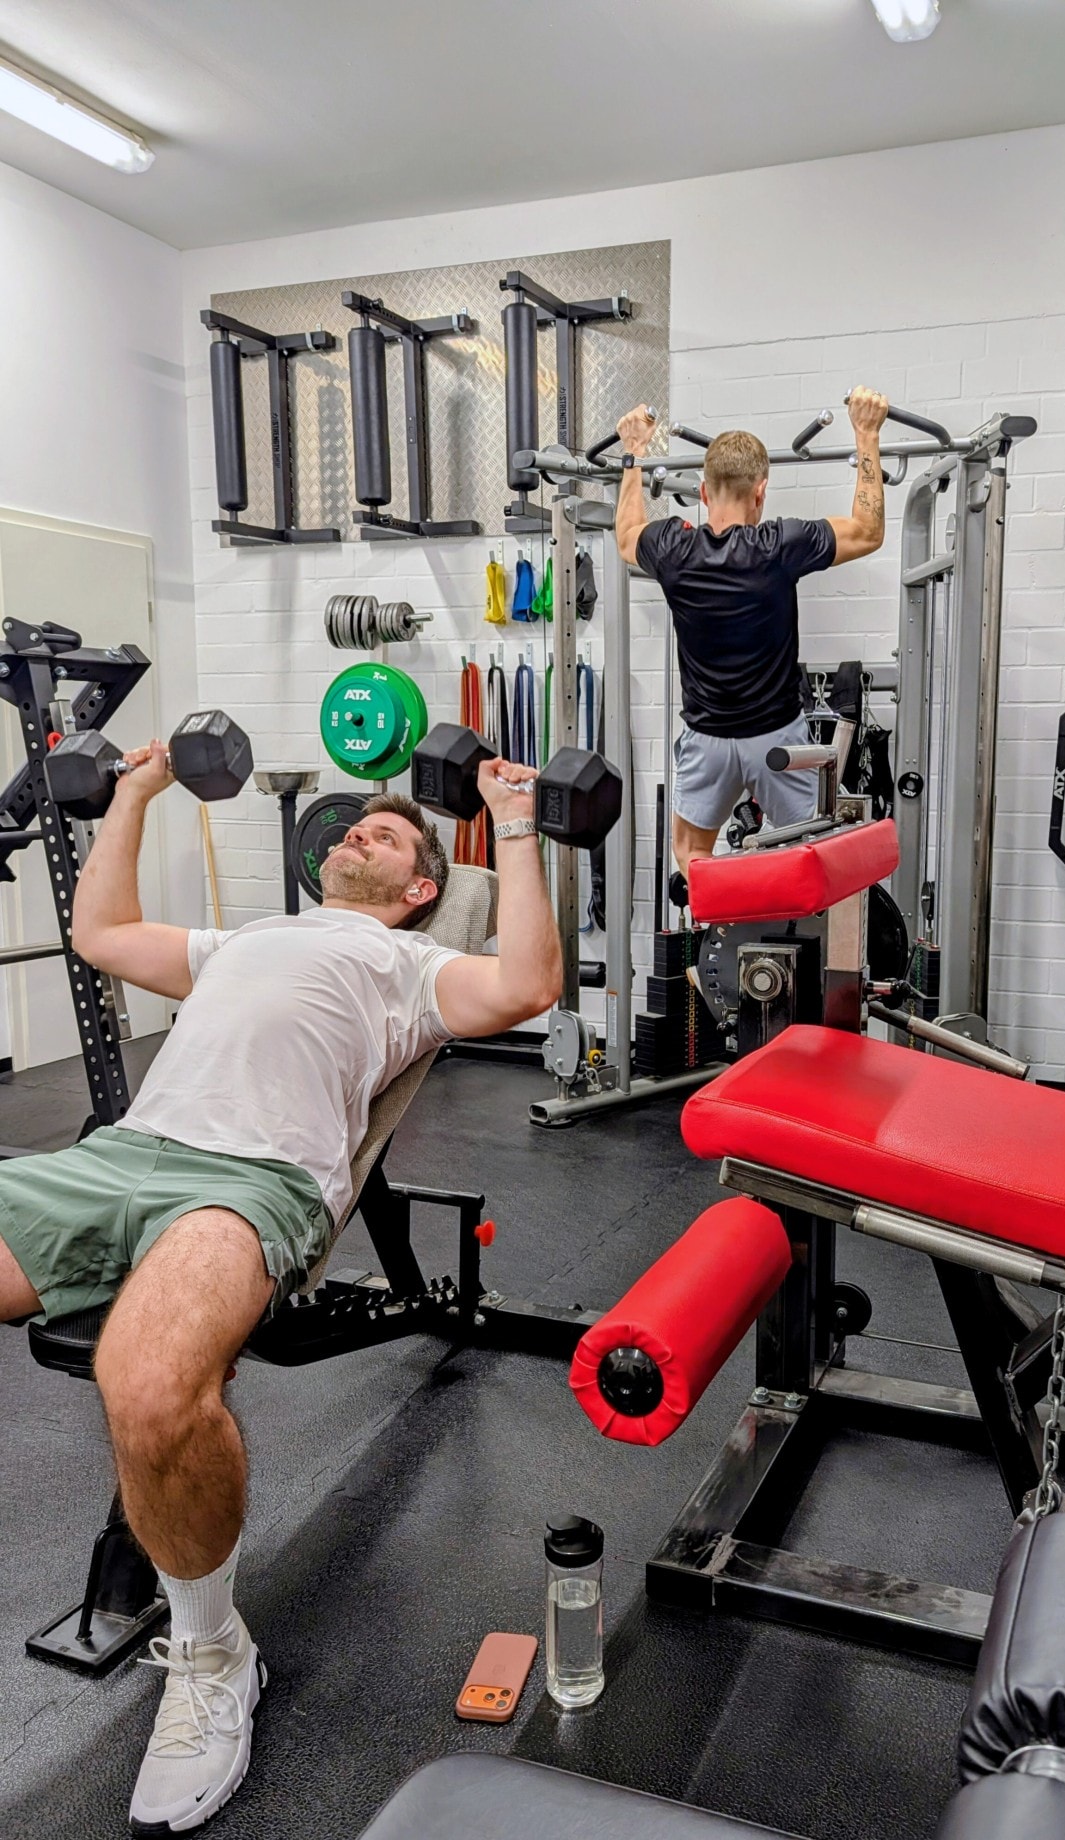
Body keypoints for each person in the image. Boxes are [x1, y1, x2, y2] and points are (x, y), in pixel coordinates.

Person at [0, 740, 561, 1835]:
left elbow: (527, 983)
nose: (356, 831)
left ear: (419, 890)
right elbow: (100, 932)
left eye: (387, 836)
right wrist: (136, 794)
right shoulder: (247, 937)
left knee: (151, 1385)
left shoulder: (407, 966)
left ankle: (211, 1651)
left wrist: (520, 822)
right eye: (352, 827)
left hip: (248, 1180)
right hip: (117, 1157)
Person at [615, 385, 892, 878]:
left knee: (693, 855)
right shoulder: (780, 544)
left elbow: (626, 535)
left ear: (702, 493)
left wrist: (632, 454)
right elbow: (867, 530)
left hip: (707, 741)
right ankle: (780, 942)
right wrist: (866, 434)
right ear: (760, 491)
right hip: (777, 741)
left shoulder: (673, 550)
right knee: (808, 856)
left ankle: (720, 943)